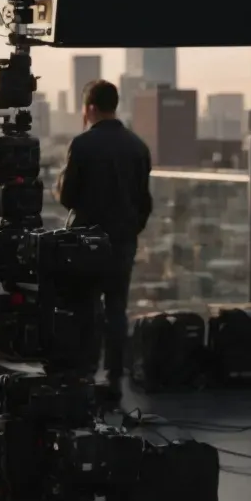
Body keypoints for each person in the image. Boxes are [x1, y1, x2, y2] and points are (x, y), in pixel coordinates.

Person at [57, 80, 153, 397]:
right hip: (122, 241)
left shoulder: (82, 145)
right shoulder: (138, 147)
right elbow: (144, 202)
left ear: (90, 109)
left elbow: (68, 197)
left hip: (86, 242)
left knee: (85, 307)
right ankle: (114, 376)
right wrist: (130, 230)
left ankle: (85, 373)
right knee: (116, 309)